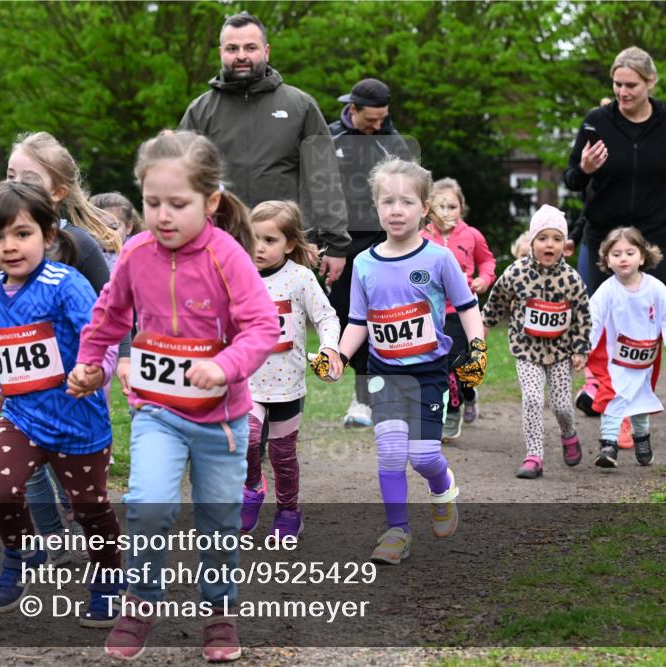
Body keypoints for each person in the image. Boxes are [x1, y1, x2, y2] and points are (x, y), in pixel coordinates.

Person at [68, 130, 279, 662]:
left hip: (221, 421)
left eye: (178, 204)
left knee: (218, 522)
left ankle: (219, 612)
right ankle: (139, 604)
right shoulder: (136, 253)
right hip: (157, 411)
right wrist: (91, 363)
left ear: (210, 203)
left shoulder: (228, 256)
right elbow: (109, 314)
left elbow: (260, 327)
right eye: (152, 202)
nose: (163, 215)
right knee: (147, 507)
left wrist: (224, 366)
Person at [311, 157, 487, 565]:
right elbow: (358, 321)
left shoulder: (439, 259)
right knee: (390, 453)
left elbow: (468, 307)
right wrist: (336, 355)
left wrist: (477, 347)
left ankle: (443, 489)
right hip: (383, 372)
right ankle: (396, 531)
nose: (396, 210)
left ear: (425, 207)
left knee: (424, 456)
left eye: (406, 202)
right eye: (387, 201)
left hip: (428, 373)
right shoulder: (365, 263)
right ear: (375, 207)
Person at [0, 131, 123, 566]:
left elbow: (109, 310)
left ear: (57, 192)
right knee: (13, 476)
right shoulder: (3, 257)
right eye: (11, 174)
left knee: (82, 491)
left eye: (28, 178)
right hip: (25, 397)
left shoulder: (77, 249)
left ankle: (102, 560)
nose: (8, 244)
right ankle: (45, 543)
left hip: (79, 386)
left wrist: (112, 363)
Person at [564, 47, 666, 416]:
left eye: (631, 85)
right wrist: (584, 168)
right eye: (617, 84)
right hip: (605, 234)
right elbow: (571, 180)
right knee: (595, 314)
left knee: (645, 316)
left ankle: (635, 391)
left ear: (651, 82)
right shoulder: (596, 121)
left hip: (654, 235)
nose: (623, 92)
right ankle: (598, 386)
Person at [178, 11, 349, 287]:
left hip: (283, 246)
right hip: (217, 245)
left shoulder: (300, 105)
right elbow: (181, 181)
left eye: (250, 47)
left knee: (282, 329)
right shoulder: (200, 111)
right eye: (232, 48)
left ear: (266, 51)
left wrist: (334, 242)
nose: (241, 55)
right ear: (221, 52)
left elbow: (324, 177)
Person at [242, 200, 342, 538]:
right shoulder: (237, 275)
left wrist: (330, 348)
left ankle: (288, 512)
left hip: (287, 385)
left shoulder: (300, 278)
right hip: (246, 382)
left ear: (290, 244)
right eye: (253, 238)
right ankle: (252, 487)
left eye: (269, 240)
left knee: (282, 454)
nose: (259, 247)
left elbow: (327, 317)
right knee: (247, 440)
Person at [328, 77, 413, 428]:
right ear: (352, 109)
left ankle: (376, 397)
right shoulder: (329, 138)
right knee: (349, 319)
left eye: (384, 118)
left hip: (384, 243)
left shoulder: (393, 143)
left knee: (386, 320)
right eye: (372, 120)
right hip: (341, 246)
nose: (379, 125)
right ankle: (363, 395)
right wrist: (325, 242)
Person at [481, 205, 589, 478]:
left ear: (565, 245)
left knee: (562, 405)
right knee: (531, 398)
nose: (549, 244)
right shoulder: (516, 272)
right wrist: (483, 326)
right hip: (526, 349)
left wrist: (580, 349)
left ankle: (569, 433)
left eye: (555, 238)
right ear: (531, 242)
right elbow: (497, 300)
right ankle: (534, 456)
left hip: (560, 352)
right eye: (542, 238)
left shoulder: (571, 279)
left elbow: (583, 316)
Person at [587, 227, 666, 468]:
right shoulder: (607, 291)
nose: (623, 258)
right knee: (612, 397)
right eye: (616, 254)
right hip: (616, 360)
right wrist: (583, 348)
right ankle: (608, 445)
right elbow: (593, 318)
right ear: (607, 261)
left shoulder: (654, 288)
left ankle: (642, 439)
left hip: (644, 360)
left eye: (630, 252)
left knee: (641, 402)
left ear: (642, 257)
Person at [422, 178, 496, 439]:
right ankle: (451, 412)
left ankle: (468, 394)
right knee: (440, 365)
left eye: (452, 207)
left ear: (462, 208)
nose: (446, 213)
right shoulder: (421, 237)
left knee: (458, 363)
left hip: (461, 310)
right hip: (429, 312)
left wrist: (484, 279)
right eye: (440, 207)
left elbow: (487, 262)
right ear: (428, 209)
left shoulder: (472, 235)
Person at [90, 191, 144, 271]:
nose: (106, 234)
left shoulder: (140, 252)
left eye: (113, 228)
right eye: (98, 229)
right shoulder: (89, 251)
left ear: (128, 226)